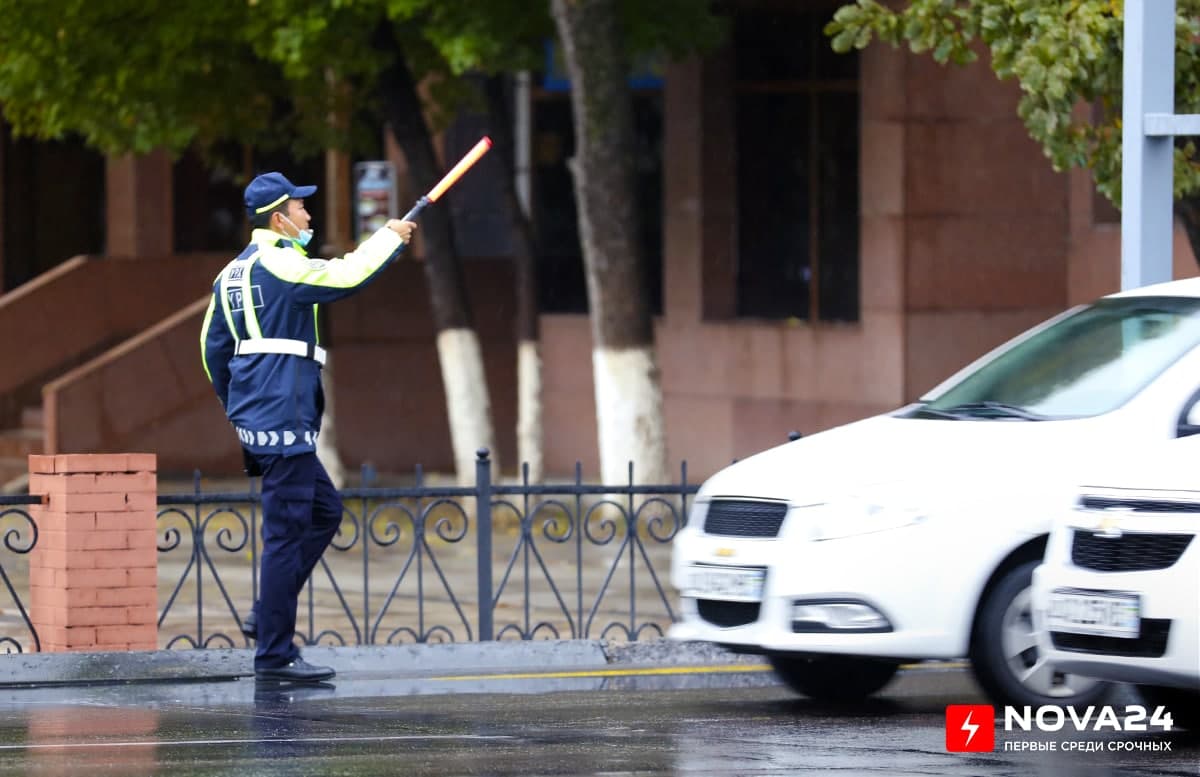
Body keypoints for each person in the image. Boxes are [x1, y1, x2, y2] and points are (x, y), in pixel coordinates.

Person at [201, 172, 416, 682]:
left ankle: (267, 614)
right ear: (279, 218)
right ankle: (274, 656)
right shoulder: (282, 262)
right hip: (283, 411)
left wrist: (238, 406)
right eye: (301, 208)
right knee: (285, 533)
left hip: (262, 412)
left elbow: (212, 350)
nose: (308, 216)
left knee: (324, 510)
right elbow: (346, 277)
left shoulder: (231, 274)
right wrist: (389, 237)